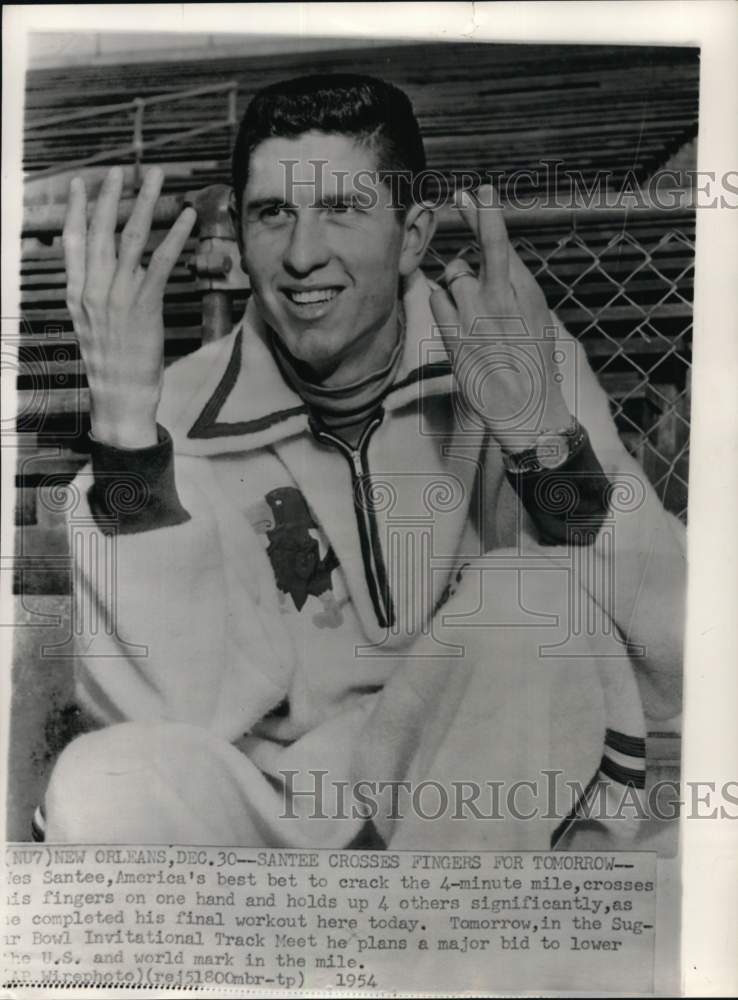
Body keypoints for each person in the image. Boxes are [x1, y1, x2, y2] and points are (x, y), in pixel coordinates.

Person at [43, 74, 684, 849]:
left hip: (481, 797)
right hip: (296, 812)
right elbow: (162, 715)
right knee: (99, 780)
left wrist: (541, 438)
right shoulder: (168, 413)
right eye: (273, 214)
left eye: (341, 209)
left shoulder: (516, 359)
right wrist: (122, 435)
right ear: (242, 240)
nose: (303, 255)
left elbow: (676, 669)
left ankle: (422, 945)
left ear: (413, 234)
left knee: (530, 596)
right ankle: (392, 948)